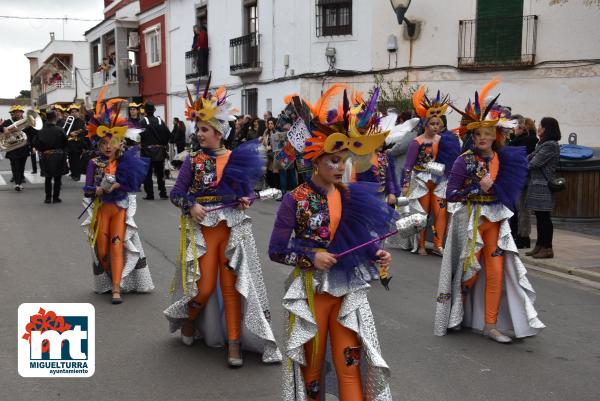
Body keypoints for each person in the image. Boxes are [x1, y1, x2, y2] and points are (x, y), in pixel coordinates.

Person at [270, 86, 395, 401]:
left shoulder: (351, 196)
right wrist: (313, 256)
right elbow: (276, 250)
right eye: (333, 161)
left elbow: (358, 242)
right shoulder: (294, 200)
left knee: (349, 364)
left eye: (343, 161)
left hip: (348, 293)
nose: (340, 167)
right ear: (316, 161)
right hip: (312, 294)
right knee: (311, 371)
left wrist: (376, 255)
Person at [165, 84, 281, 367]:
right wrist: (191, 205)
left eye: (204, 129)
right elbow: (176, 193)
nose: (199, 134)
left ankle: (234, 344)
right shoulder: (192, 161)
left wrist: (245, 199)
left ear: (219, 132)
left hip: (233, 230)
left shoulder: (235, 158)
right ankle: (188, 320)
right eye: (198, 129)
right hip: (203, 230)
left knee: (232, 287)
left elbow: (247, 193)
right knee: (203, 288)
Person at [434, 86, 545, 343]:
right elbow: (451, 194)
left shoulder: (504, 159)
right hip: (471, 222)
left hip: (495, 222)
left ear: (496, 135)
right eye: (477, 134)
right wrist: (475, 187)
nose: (481, 138)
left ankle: (490, 325)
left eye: (487, 133)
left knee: (495, 273)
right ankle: (455, 314)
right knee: (468, 275)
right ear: (471, 136)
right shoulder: (464, 160)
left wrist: (491, 188)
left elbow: (505, 192)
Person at [81, 89, 154, 303]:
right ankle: (112, 276)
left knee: (115, 245)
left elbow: (133, 185)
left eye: (111, 142)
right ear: (98, 144)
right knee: (102, 251)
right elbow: (86, 188)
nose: (107, 147)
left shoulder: (124, 162)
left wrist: (118, 185)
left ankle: (116, 288)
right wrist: (98, 190)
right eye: (103, 143)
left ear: (119, 143)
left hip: (120, 211)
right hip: (101, 211)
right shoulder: (93, 163)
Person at [401, 87, 461, 256]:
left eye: (438, 124)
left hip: (439, 181)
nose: (436, 127)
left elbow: (450, 160)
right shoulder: (416, 142)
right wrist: (405, 184)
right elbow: (408, 165)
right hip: (421, 180)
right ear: (425, 124)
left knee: (441, 212)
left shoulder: (443, 140)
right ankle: (420, 244)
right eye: (432, 124)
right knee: (422, 214)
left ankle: (438, 244)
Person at [525, 117, 561, 259]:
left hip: (544, 186)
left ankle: (547, 248)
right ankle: (539, 245)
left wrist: (522, 166)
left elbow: (534, 163)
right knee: (539, 218)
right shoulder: (542, 144)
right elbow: (529, 157)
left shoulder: (550, 145)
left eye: (541, 125)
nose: (538, 127)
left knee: (545, 218)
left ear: (547, 128)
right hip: (537, 185)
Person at [508, 115, 538, 248]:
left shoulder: (527, 141)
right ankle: (519, 235)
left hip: (523, 178)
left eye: (517, 127)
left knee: (522, 209)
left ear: (523, 128)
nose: (515, 130)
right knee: (519, 209)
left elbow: (516, 156)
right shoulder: (520, 140)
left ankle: (523, 237)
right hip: (518, 177)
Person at [0, 105, 38, 191]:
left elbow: (32, 135)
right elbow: (0, 128)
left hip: (23, 147)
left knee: (21, 166)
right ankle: (18, 183)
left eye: (19, 112)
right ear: (12, 113)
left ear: (22, 113)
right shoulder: (7, 122)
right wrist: (3, 128)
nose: (18, 113)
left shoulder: (26, 122)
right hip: (12, 148)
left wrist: (33, 147)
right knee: (15, 166)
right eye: (15, 112)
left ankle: (20, 179)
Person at [140, 101, 171, 200]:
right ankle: (163, 192)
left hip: (146, 151)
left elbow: (137, 136)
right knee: (160, 173)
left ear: (145, 111)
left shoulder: (143, 122)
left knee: (147, 174)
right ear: (154, 110)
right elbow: (168, 134)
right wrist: (164, 144)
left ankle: (150, 194)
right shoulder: (160, 120)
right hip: (159, 151)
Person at [34, 111, 66, 203]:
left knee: (48, 178)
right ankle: (56, 197)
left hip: (45, 155)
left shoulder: (40, 130)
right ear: (55, 118)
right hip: (58, 155)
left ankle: (48, 198)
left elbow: (36, 143)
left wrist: (43, 150)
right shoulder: (60, 130)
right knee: (57, 178)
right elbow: (65, 143)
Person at [65, 104, 87, 181]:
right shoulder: (69, 121)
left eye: (75, 112)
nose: (74, 113)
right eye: (72, 112)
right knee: (71, 159)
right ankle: (73, 173)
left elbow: (82, 131)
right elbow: (65, 131)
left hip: (77, 143)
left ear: (78, 113)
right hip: (70, 144)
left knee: (76, 160)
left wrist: (75, 133)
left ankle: (77, 175)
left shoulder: (80, 121)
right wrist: (70, 133)